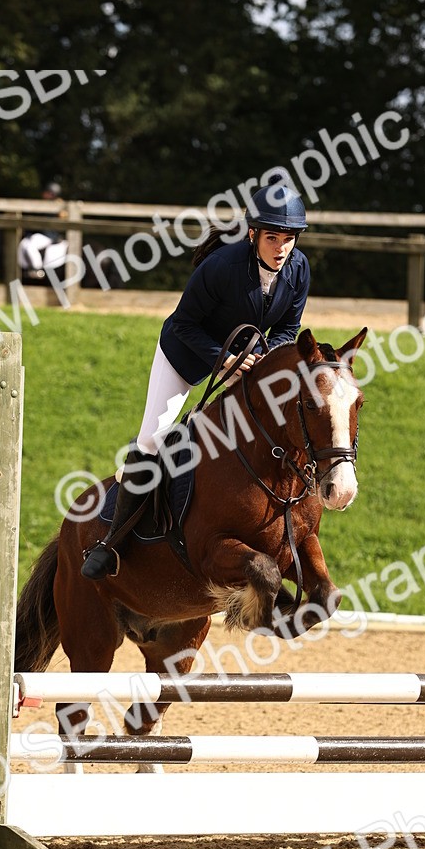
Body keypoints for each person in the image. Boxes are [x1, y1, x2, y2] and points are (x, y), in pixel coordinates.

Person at [81, 178, 311, 580]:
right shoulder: (220, 268)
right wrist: (223, 362)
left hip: (247, 363)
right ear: (253, 233)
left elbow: (289, 329)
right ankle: (111, 542)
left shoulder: (299, 270)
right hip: (187, 355)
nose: (282, 248)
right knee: (154, 439)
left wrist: (264, 361)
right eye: (273, 237)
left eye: (289, 239)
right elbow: (183, 325)